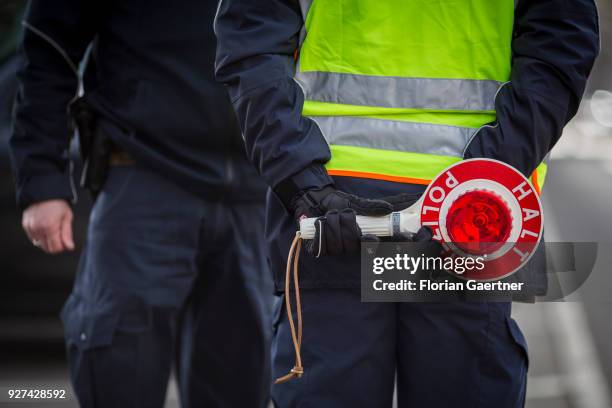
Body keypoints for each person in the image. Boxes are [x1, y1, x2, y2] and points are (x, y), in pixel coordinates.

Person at [214, 0, 599, 407]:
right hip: (447, 216)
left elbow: (252, 41)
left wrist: (303, 183)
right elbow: (560, 44)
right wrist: (488, 175)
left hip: (341, 207)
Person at [10, 1, 273, 406]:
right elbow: (48, 49)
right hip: (144, 173)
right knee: (119, 370)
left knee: (241, 379)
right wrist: (42, 180)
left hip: (255, 189)